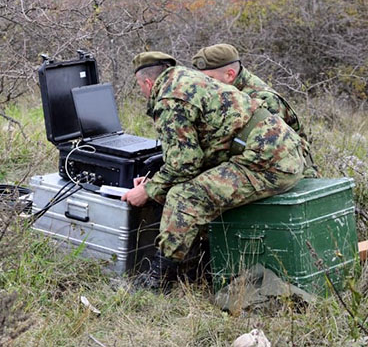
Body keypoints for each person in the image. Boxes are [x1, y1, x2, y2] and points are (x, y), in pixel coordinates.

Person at [121, 51, 305, 289]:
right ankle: (200, 265)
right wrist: (155, 181)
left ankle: (158, 279)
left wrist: (147, 191)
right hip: (275, 149)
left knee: (184, 196)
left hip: (268, 162)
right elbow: (194, 155)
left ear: (147, 82)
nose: (142, 91)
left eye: (140, 87)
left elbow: (185, 164)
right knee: (193, 186)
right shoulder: (186, 78)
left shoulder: (169, 100)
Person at [192, 43, 317, 176]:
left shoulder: (263, 99)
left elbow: (274, 150)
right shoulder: (221, 93)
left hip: (290, 172)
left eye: (209, 79)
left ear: (229, 75)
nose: (203, 84)